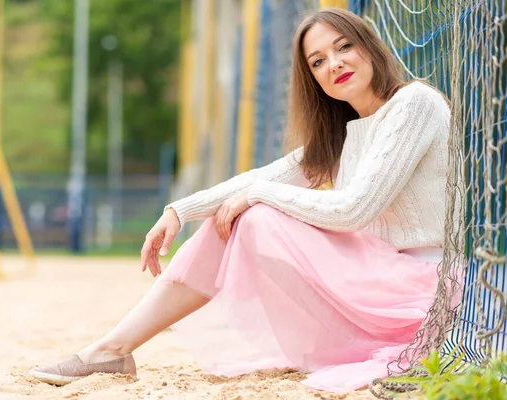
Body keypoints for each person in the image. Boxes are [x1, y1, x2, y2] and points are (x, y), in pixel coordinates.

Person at [30, 8, 450, 393]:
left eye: (344, 47)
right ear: (312, 78)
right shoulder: (341, 134)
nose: (334, 64)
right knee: (235, 213)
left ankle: (111, 350)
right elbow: (264, 176)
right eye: (317, 61)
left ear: (370, 46)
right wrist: (179, 210)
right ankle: (111, 349)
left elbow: (355, 209)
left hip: (419, 294)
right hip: (371, 287)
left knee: (257, 214)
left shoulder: (414, 103)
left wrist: (256, 196)